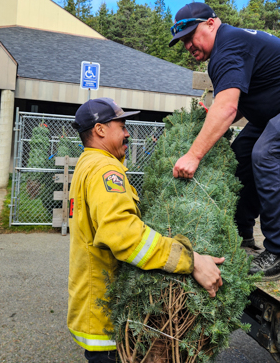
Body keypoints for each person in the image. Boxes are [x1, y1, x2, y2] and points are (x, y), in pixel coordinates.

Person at [169, 2, 280, 281]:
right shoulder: (230, 45)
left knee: (269, 154)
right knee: (241, 155)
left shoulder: (227, 48)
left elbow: (226, 107)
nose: (188, 45)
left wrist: (193, 155)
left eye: (191, 36)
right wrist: (214, 122)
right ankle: (241, 233)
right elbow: (236, 104)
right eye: (183, 42)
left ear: (212, 23)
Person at [67, 97, 225, 363]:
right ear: (100, 130)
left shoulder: (87, 163)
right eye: (122, 125)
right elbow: (125, 236)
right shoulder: (105, 169)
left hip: (92, 311)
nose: (128, 132)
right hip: (107, 321)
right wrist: (191, 259)